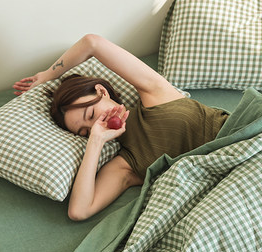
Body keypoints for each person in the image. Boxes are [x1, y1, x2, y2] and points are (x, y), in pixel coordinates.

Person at [13, 34, 228, 221]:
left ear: (101, 91)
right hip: (223, 187)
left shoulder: (154, 93)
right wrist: (95, 141)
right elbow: (79, 210)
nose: (97, 123)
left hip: (244, 138)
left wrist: (48, 76)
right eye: (85, 132)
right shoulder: (125, 165)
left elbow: (92, 43)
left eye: (92, 114)